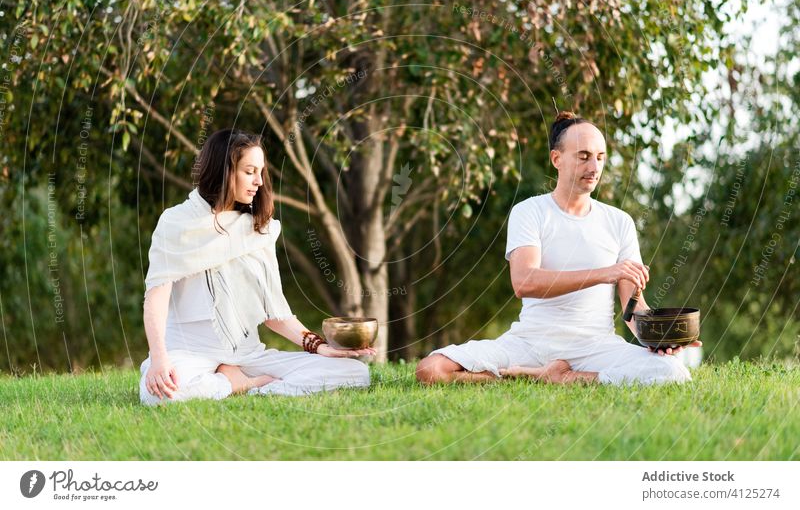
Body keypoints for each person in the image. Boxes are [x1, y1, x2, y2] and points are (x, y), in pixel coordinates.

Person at [416, 111, 701, 386]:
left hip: (594, 347)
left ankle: (566, 378)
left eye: (600, 158)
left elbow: (633, 307)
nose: (594, 167)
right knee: (431, 369)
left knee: (671, 370)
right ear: (557, 159)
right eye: (584, 157)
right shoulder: (529, 212)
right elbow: (524, 281)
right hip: (528, 342)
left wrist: (661, 337)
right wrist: (605, 273)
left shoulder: (619, 222)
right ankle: (527, 373)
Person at [139, 128, 373, 405]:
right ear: (224, 170)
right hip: (190, 353)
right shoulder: (176, 223)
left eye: (261, 172)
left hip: (248, 356)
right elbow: (156, 299)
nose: (259, 181)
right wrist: (159, 359)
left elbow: (274, 312)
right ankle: (233, 381)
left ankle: (251, 386)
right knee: (159, 397)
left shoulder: (256, 228)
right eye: (249, 171)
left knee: (356, 373)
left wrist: (319, 346)